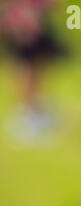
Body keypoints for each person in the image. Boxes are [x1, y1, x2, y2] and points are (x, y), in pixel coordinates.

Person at [0, 0, 64, 143]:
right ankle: (29, 113)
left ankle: (36, 109)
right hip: (23, 24)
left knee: (38, 67)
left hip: (36, 22)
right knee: (26, 68)